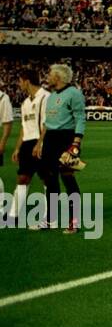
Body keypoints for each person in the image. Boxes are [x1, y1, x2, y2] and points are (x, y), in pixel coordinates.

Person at [35, 64, 87, 234]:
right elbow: (47, 123)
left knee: (68, 177)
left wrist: (76, 141)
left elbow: (80, 117)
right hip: (50, 139)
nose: (47, 77)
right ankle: (50, 218)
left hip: (67, 138)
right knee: (50, 179)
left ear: (58, 77)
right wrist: (40, 142)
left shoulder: (74, 93)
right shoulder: (50, 96)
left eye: (50, 74)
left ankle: (74, 220)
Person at [6, 69, 48, 226]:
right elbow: (24, 127)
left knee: (47, 179)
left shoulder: (46, 97)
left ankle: (47, 217)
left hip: (41, 142)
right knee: (23, 178)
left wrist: (39, 144)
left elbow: (47, 124)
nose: (19, 84)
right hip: (28, 143)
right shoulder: (25, 102)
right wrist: (18, 148)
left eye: (20, 81)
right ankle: (13, 216)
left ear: (27, 81)